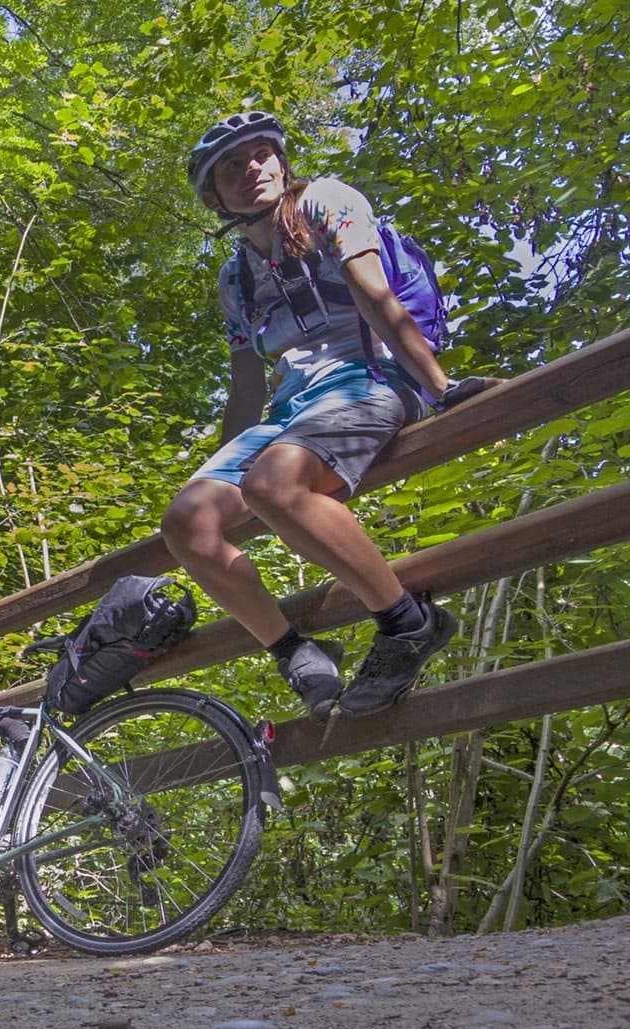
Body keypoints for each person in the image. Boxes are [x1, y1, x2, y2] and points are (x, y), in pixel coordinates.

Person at [161, 111, 498, 722]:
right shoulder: (234, 277)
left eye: (262, 154)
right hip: (295, 406)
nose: (252, 169)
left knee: (275, 485)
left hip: (374, 376)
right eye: (232, 167)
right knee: (187, 522)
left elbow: (375, 295)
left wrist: (440, 388)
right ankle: (296, 650)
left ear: (281, 160)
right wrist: (223, 483)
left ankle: (407, 623)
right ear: (215, 197)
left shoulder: (325, 202)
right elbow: (247, 383)